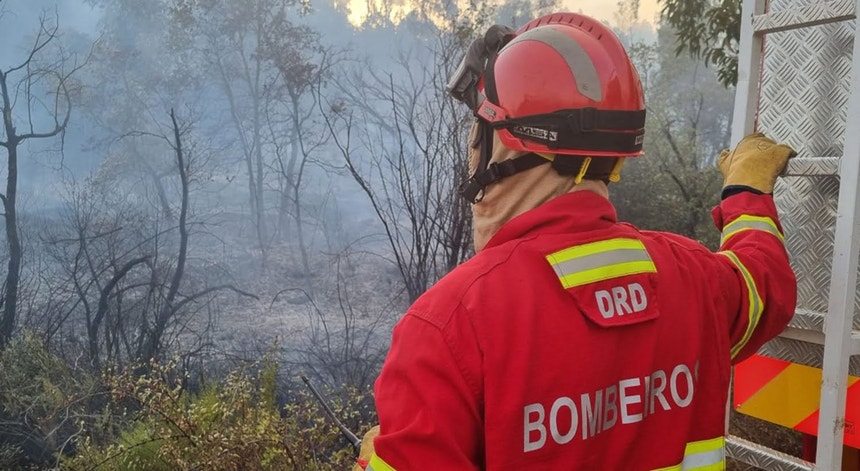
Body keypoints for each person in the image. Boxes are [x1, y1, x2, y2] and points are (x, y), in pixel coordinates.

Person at [355, 12, 797, 471]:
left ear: (508, 145)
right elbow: (765, 282)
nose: (471, 152)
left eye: (477, 134)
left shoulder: (448, 328)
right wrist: (745, 191)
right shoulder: (695, 279)